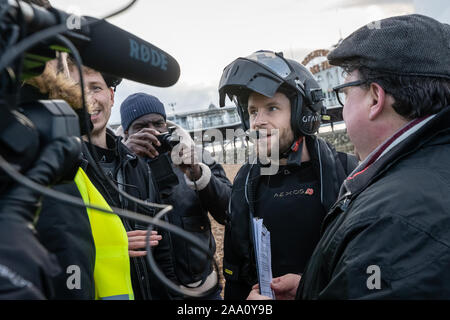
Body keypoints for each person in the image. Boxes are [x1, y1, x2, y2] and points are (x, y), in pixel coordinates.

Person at [248, 14, 450, 300]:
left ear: (375, 99)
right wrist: (312, 290)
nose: (341, 108)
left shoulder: (390, 220)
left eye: (345, 92)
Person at [217, 50, 358, 300]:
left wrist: (311, 290)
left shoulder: (347, 173)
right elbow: (235, 275)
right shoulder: (245, 181)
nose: (257, 122)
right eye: (252, 112)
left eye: (271, 108)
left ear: (302, 113)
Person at [36, 57, 177, 300]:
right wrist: (115, 244)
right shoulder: (58, 170)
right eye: (76, 88)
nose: (87, 98)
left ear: (111, 96)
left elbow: (161, 245)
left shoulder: (137, 164)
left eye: (95, 88)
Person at [119, 92, 232, 299]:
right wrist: (126, 159)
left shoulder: (194, 154)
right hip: (148, 293)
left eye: (158, 124)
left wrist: (197, 174)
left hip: (201, 290)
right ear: (126, 133)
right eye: (141, 127)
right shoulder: (117, 165)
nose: (152, 132)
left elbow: (229, 213)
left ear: (167, 125)